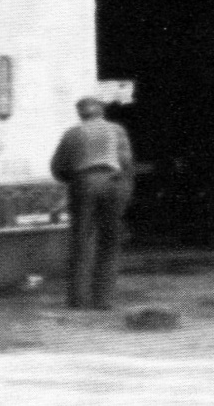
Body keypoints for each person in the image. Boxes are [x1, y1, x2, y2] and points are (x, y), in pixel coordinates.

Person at [50, 96, 135, 310]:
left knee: (80, 241)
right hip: (113, 183)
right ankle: (103, 300)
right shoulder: (117, 130)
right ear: (102, 111)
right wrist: (125, 191)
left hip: (84, 184)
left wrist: (74, 179)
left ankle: (78, 300)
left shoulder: (72, 133)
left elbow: (58, 167)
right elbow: (126, 162)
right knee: (109, 242)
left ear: (80, 114)